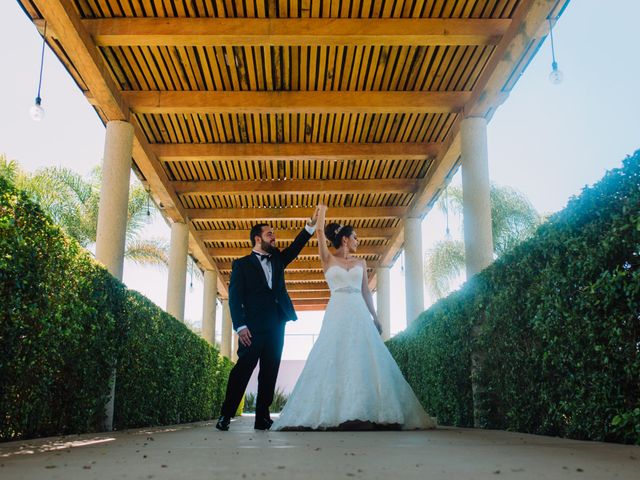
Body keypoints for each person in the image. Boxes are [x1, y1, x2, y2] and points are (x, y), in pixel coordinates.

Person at [272, 204, 436, 430]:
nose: (358, 241)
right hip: (337, 310)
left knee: (364, 357)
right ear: (346, 239)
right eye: (355, 237)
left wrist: (375, 317)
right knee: (333, 354)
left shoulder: (361, 263)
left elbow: (366, 292)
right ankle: (334, 411)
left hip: (358, 311)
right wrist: (322, 213)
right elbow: (319, 233)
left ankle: (369, 411)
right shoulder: (327, 258)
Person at [216, 208, 319, 431]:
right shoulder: (241, 265)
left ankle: (262, 417)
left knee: (270, 371)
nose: (274, 236)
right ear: (257, 238)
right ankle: (225, 415)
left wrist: (309, 228)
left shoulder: (278, 259)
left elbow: (295, 248)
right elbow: (235, 298)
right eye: (270, 233)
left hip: (277, 325)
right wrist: (240, 326)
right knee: (242, 370)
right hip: (251, 329)